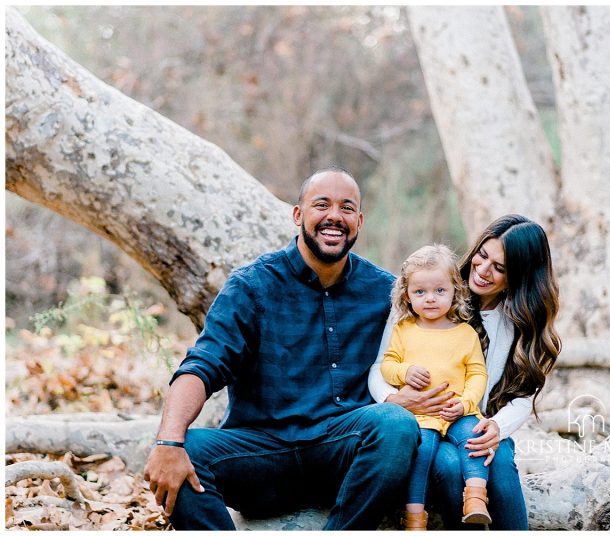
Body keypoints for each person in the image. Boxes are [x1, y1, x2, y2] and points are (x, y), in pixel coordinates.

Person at [144, 166, 420, 530]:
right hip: (261, 458)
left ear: (360, 220)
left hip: (343, 452)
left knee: (395, 425)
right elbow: (202, 366)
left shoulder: (385, 292)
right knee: (185, 450)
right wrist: (168, 439)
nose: (334, 216)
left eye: (347, 207)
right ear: (297, 214)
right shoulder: (251, 286)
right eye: (321, 205)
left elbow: (436, 344)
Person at [369, 214, 561, 530]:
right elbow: (380, 365)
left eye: (499, 268)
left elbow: (523, 398)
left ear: (519, 277)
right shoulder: (432, 289)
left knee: (496, 457)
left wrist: (497, 427)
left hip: (473, 422)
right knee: (447, 466)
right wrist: (394, 398)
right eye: (482, 256)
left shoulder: (519, 322)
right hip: (425, 423)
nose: (483, 270)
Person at [380, 244, 490, 530]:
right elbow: (387, 365)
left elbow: (478, 373)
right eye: (420, 292)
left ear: (455, 291)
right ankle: (415, 516)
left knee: (474, 440)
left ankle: (476, 498)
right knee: (421, 454)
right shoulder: (404, 330)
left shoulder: (465, 333)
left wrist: (466, 403)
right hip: (422, 415)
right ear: (407, 295)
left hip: (458, 410)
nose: (430, 299)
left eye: (439, 291)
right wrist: (405, 371)